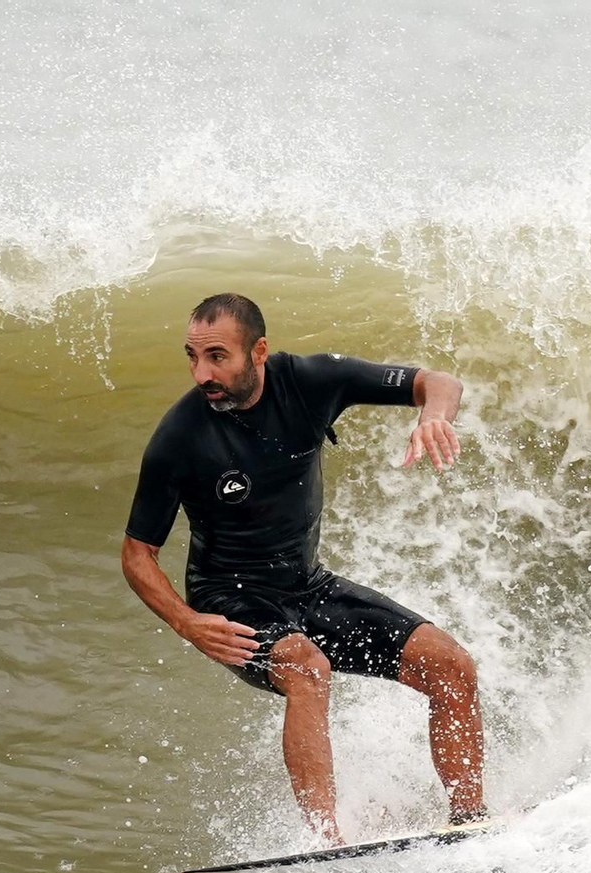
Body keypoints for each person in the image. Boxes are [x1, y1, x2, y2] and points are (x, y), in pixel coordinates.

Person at [121, 292, 484, 844]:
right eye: (192, 357)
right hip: (230, 600)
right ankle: (326, 845)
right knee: (305, 667)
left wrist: (434, 417)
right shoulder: (180, 437)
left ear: (258, 351)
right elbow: (136, 554)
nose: (202, 373)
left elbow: (440, 382)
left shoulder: (310, 381)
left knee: (452, 665)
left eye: (217, 356)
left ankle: (472, 824)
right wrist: (185, 622)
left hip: (307, 587)